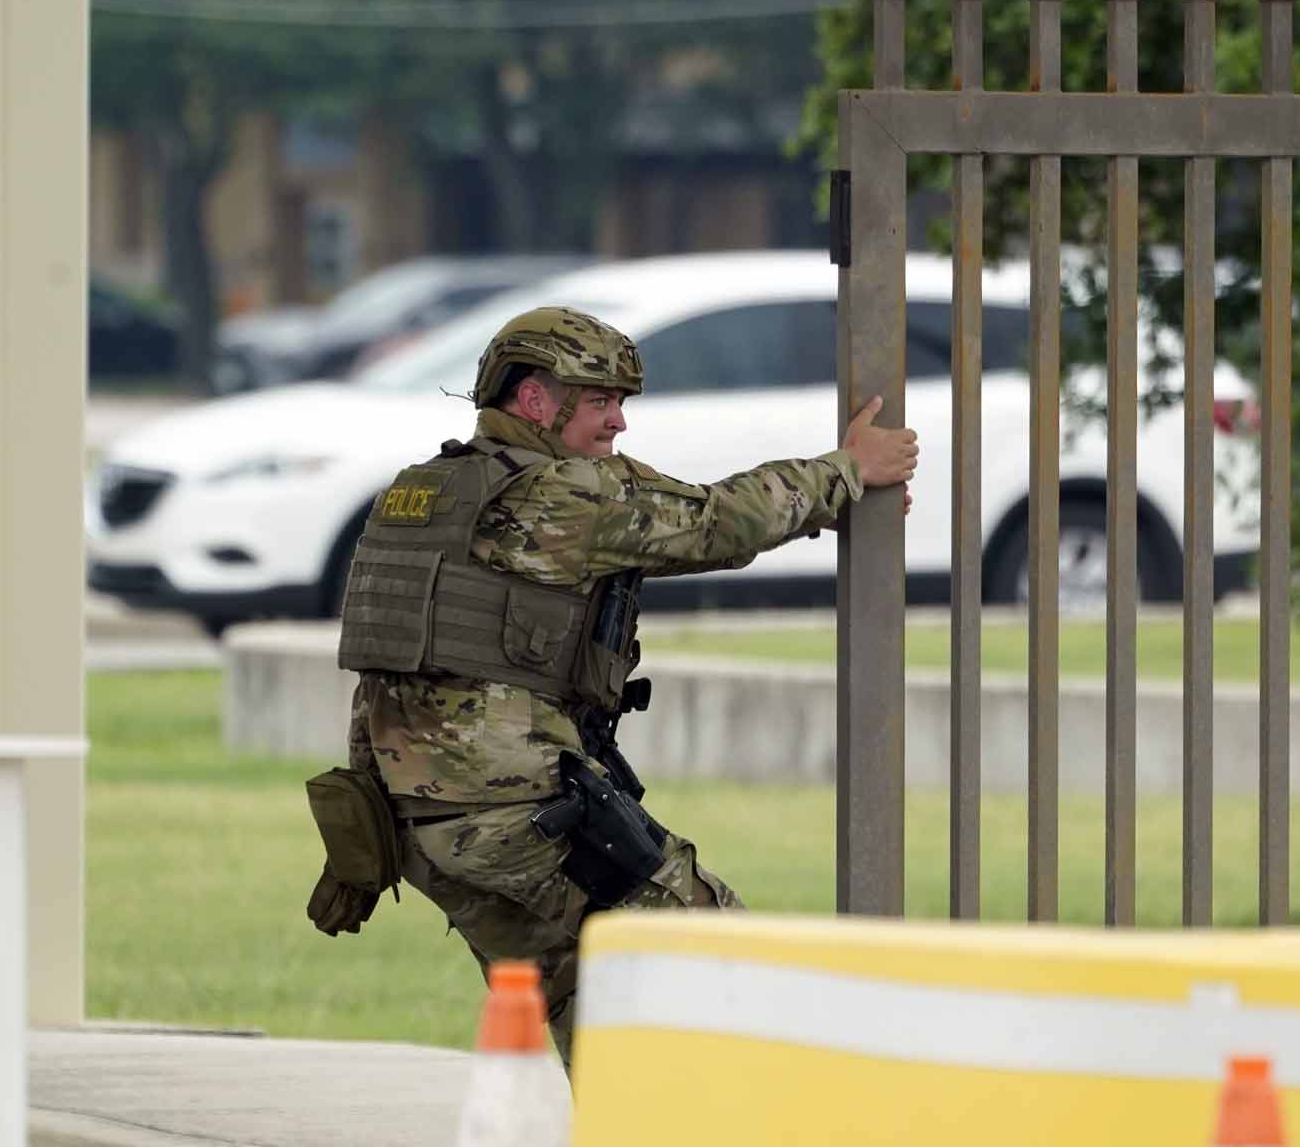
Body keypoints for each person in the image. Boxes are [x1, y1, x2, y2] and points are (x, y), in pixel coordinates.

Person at [313, 305, 917, 1067]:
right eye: (600, 401)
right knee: (728, 959)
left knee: (591, 1010)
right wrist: (849, 471)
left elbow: (382, 679)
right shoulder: (564, 497)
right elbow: (717, 521)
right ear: (534, 399)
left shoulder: (419, 496)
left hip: (419, 836)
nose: (619, 423)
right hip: (521, 821)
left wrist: (360, 843)